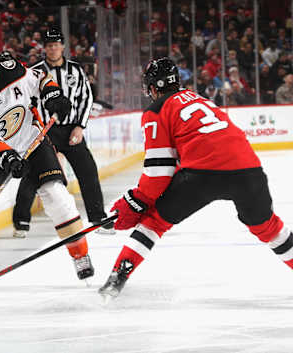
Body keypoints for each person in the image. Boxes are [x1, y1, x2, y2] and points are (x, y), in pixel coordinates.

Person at [99, 57, 293, 299]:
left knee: (153, 222)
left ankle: (115, 282)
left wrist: (136, 200)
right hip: (248, 170)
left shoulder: (156, 110)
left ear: (152, 87)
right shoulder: (201, 99)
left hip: (203, 174)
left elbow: (159, 172)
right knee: (268, 227)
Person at [0, 41, 95, 284]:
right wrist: (7, 156)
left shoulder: (10, 70)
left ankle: (80, 256)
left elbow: (40, 78)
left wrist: (53, 94)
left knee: (57, 196)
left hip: (34, 141)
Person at [11, 28, 112, 238]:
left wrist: (80, 126)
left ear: (63, 46)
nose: (53, 48)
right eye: (49, 45)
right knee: (32, 173)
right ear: (44, 48)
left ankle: (97, 217)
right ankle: (20, 221)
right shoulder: (35, 72)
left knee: (88, 171)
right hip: (45, 132)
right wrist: (35, 127)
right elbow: (26, 101)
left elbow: (86, 98)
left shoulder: (76, 70)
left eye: (56, 44)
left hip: (70, 130)